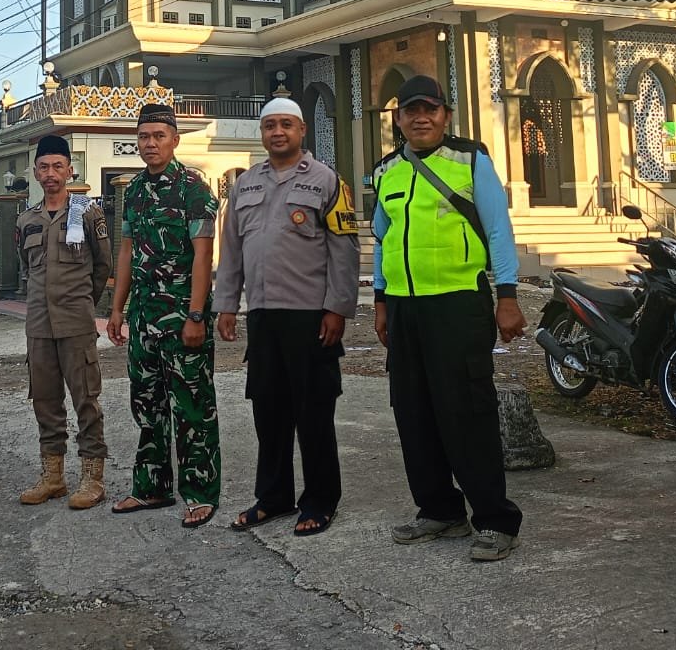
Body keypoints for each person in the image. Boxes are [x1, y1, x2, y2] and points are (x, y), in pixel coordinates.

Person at [372, 75, 526, 562]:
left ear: (446, 115)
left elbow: (498, 231)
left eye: (431, 110)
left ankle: (495, 520)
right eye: (411, 110)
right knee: (413, 411)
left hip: (459, 303)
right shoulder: (385, 171)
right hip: (403, 306)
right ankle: (440, 510)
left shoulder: (472, 160)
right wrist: (380, 300)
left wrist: (507, 295)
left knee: (468, 412)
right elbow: (382, 239)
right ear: (398, 119)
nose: (421, 118)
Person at [215, 97, 360, 537]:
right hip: (262, 317)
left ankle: (319, 500)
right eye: (269, 126)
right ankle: (273, 497)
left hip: (310, 317)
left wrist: (338, 307)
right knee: (269, 412)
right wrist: (226, 303)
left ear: (301, 131)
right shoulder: (246, 184)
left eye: (286, 125)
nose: (277, 132)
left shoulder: (327, 180)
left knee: (314, 412)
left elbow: (344, 250)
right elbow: (233, 249)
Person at [107, 102, 221, 529]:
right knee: (147, 403)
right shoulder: (134, 191)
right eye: (143, 137)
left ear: (175, 140)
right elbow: (126, 251)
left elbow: (202, 256)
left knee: (192, 405)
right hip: (142, 317)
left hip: (181, 315)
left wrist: (195, 315)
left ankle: (200, 492)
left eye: (158, 136)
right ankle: (152, 486)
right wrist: (117, 309)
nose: (150, 144)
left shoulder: (195, 189)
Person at [15, 134, 113, 510]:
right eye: (44, 167)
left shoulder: (86, 212)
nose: (51, 173)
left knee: (86, 400)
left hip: (75, 322)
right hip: (39, 325)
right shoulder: (27, 219)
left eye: (58, 166)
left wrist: (81, 301)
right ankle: (53, 476)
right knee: (45, 401)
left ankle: (92, 477)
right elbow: (27, 269)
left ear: (71, 170)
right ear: (36, 172)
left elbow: (102, 265)